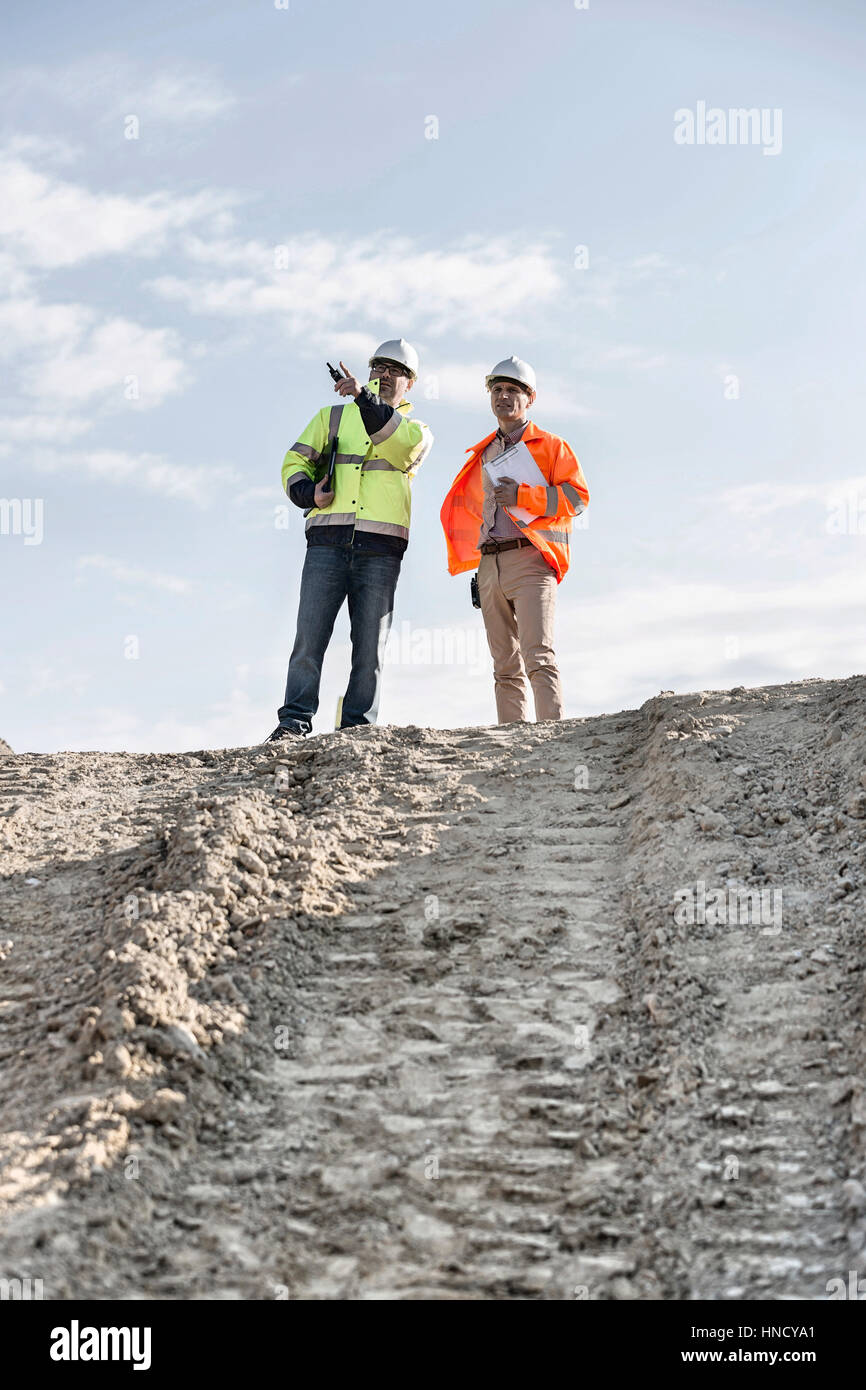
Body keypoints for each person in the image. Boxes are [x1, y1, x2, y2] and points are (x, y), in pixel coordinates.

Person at [265, 339, 433, 741]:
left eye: (396, 370)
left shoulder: (416, 431)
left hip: (380, 549)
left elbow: (398, 447)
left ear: (410, 382)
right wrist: (309, 493)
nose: (385, 375)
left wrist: (361, 396)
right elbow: (294, 461)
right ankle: (293, 721)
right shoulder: (331, 417)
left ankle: (357, 726)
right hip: (327, 543)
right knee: (309, 637)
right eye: (379, 367)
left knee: (369, 647)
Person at [440, 356, 588, 724]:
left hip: (532, 560)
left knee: (538, 656)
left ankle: (552, 737)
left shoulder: (552, 446)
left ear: (530, 398)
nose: (503, 396)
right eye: (497, 390)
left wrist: (525, 496)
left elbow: (578, 498)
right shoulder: (482, 452)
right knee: (504, 664)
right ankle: (512, 743)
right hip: (489, 563)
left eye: (512, 390)